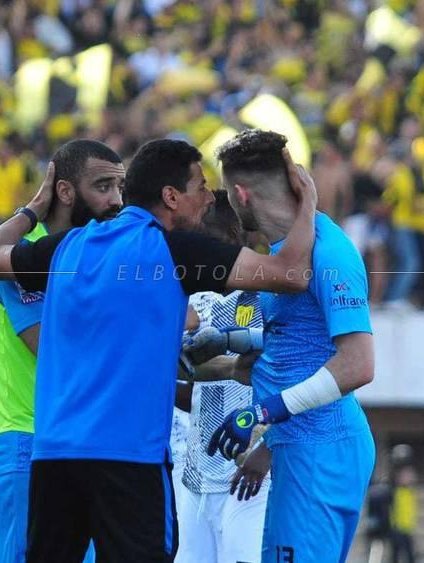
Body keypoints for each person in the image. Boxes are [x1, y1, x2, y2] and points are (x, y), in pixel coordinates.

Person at [0, 137, 318, 562]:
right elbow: (293, 274)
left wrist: (34, 208)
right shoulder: (176, 250)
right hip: (128, 461)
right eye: (202, 187)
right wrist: (307, 201)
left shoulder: (69, 247)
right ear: (171, 197)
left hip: (55, 460)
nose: (211, 198)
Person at [210, 130, 376, 563]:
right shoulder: (285, 253)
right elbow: (296, 350)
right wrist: (270, 443)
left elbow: (357, 365)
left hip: (322, 450)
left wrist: (262, 413)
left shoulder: (330, 252)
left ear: (241, 194)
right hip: (299, 445)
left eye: (227, 194)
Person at [0, 139, 123, 563]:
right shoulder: (22, 255)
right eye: (103, 187)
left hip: (75, 444)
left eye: (120, 188)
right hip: (24, 443)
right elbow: (50, 347)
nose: (115, 201)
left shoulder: (91, 252)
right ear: (63, 191)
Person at [175, 191, 269, 563]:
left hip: (246, 476)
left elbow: (293, 373)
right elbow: (189, 379)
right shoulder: (190, 300)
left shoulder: (263, 297)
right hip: (195, 478)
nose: (198, 255)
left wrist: (268, 449)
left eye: (206, 243)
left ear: (234, 238)